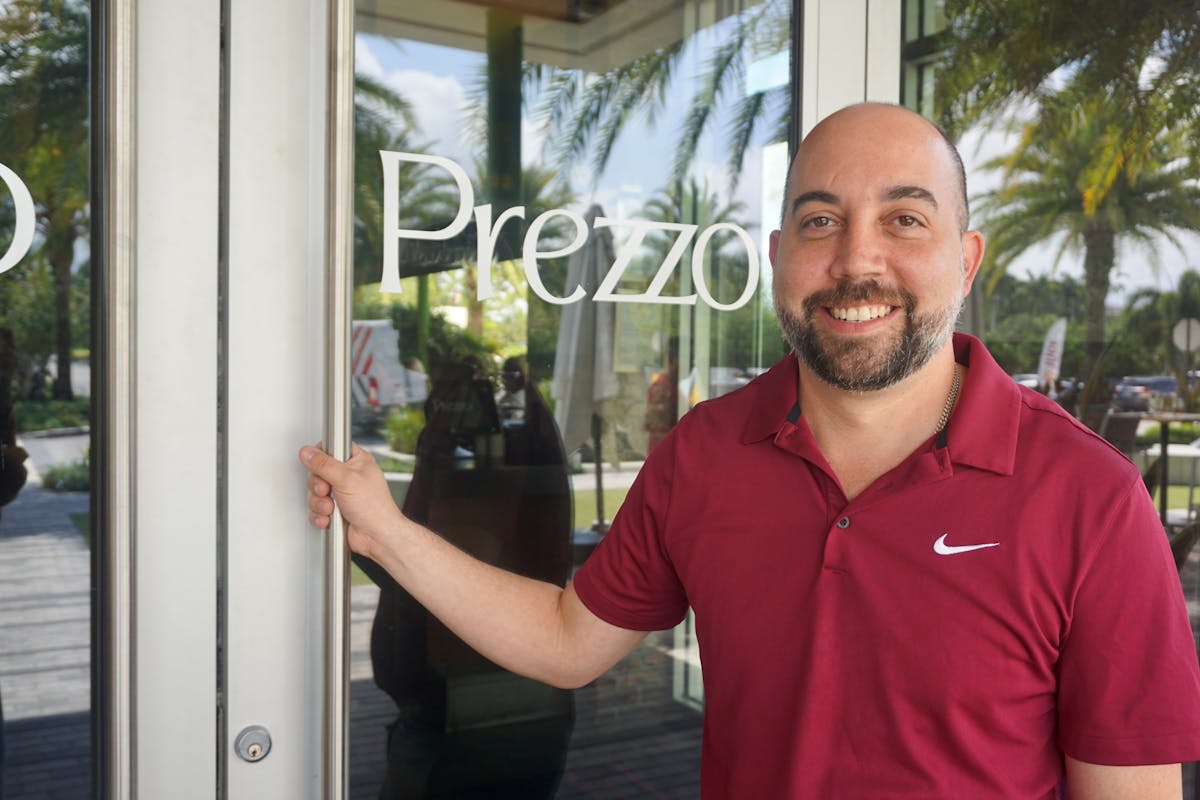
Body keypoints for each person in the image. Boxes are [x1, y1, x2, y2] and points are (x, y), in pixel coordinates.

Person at [300, 103, 1200, 798]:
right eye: (820, 221)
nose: (857, 260)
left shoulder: (1090, 498)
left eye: (905, 220)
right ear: (778, 256)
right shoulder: (706, 455)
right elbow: (570, 639)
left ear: (965, 261)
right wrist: (382, 531)